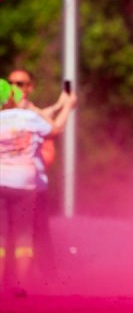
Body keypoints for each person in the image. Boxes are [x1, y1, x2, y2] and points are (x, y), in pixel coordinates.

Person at [0, 78, 72, 297]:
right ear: (11, 97)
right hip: (25, 184)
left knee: (0, 236)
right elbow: (56, 129)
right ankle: (21, 284)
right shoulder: (29, 118)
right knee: (24, 235)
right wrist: (67, 106)